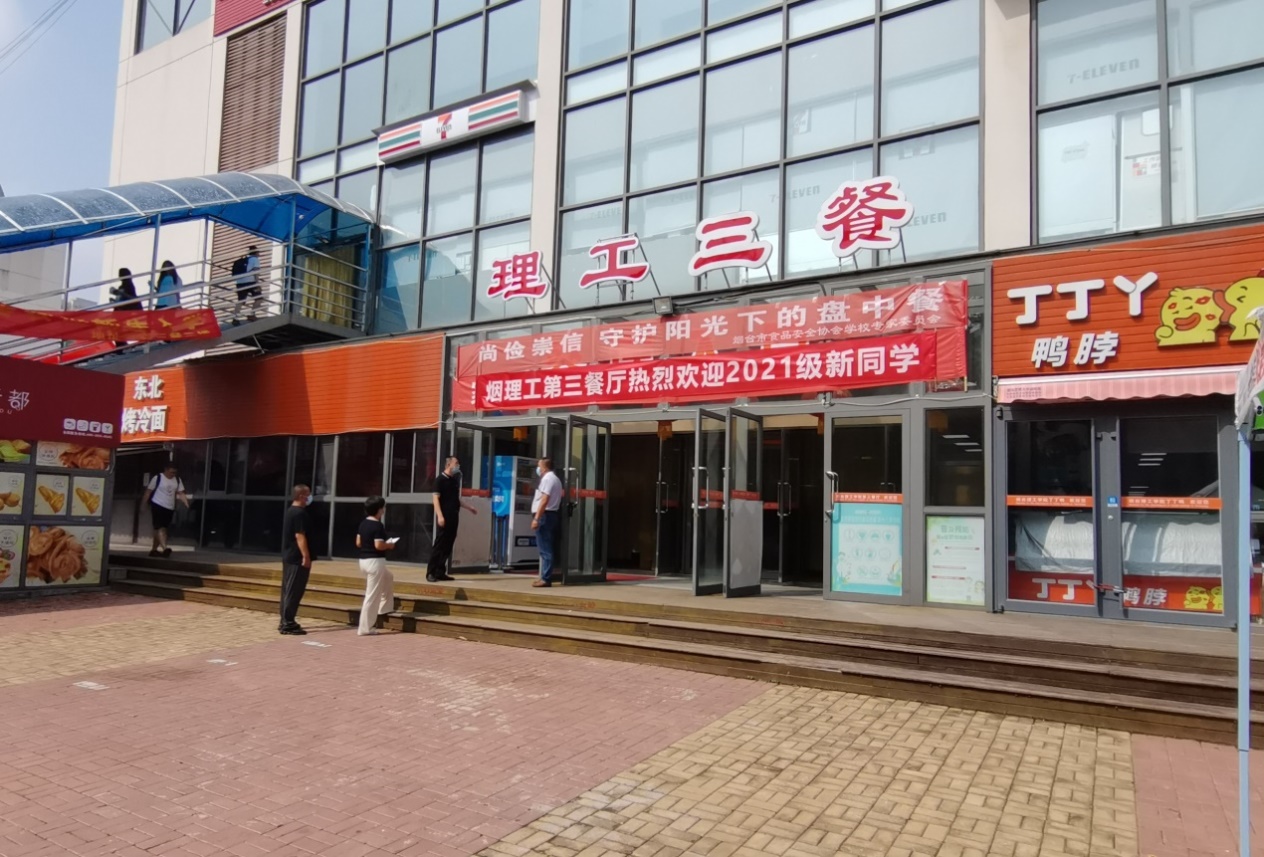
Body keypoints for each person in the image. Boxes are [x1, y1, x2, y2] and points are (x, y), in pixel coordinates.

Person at [427, 456, 478, 582]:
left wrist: (469, 507)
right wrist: (440, 516)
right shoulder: (440, 480)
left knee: (448, 545)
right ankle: (431, 572)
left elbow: (456, 499)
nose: (457, 465)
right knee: (440, 544)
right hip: (444, 516)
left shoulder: (454, 481)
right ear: (448, 464)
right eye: (456, 463)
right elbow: (435, 499)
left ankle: (440, 571)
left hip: (454, 516)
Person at [355, 495, 396, 636]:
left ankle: (385, 607)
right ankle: (365, 628)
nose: (384, 510)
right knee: (372, 595)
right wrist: (389, 545)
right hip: (375, 562)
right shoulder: (378, 525)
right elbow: (379, 545)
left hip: (363, 561)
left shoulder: (363, 523)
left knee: (388, 577)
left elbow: (358, 543)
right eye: (383, 507)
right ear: (379, 509)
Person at [280, 484, 314, 636]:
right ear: (301, 496)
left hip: (290, 556)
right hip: (296, 558)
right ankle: (288, 623)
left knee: (288, 590)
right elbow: (300, 536)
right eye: (308, 494)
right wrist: (306, 556)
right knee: (294, 590)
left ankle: (285, 621)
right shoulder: (299, 513)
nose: (309, 497)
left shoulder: (291, 511)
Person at [141, 462, 190, 558]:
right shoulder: (158, 478)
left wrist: (186, 503)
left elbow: (181, 492)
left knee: (161, 528)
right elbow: (148, 492)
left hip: (169, 507)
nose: (173, 474)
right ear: (166, 470)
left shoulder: (177, 479)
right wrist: (143, 504)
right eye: (171, 472)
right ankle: (165, 548)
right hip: (158, 504)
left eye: (174, 473)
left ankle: (154, 550)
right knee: (160, 527)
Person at [531, 458, 564, 588]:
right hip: (550, 515)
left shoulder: (548, 479)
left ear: (544, 467)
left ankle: (546, 578)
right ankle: (545, 577)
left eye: (539, 466)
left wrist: (536, 518)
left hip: (546, 515)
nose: (538, 469)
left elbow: (544, 500)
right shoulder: (555, 479)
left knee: (545, 549)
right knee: (547, 547)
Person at [110, 268, 141, 348]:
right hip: (119, 310)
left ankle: (122, 347)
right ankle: (121, 346)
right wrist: (114, 300)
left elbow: (132, 298)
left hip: (123, 312)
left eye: (121, 274)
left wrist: (121, 293)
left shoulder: (129, 286)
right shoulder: (122, 286)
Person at [232, 246, 263, 322]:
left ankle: (235, 318)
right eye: (258, 252)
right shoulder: (255, 259)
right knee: (259, 298)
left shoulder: (245, 259)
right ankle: (252, 315)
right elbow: (256, 272)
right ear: (256, 252)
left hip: (240, 282)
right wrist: (257, 284)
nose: (259, 253)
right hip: (251, 282)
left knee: (241, 300)